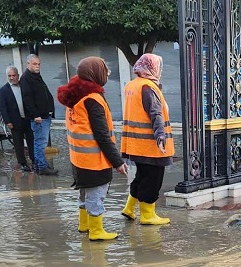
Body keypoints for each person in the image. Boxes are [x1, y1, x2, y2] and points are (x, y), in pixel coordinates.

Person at [57, 57, 128, 240]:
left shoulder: (75, 96)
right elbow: (102, 135)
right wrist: (117, 162)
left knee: (84, 193)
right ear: (95, 73)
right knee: (96, 195)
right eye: (104, 70)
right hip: (94, 160)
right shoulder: (93, 99)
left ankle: (84, 225)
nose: (106, 74)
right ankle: (96, 231)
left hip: (78, 158)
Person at [120, 53, 174, 225]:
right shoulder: (148, 87)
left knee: (141, 177)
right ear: (152, 68)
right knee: (152, 179)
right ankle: (148, 215)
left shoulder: (132, 85)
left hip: (136, 144)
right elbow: (156, 114)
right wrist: (160, 136)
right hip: (151, 145)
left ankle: (129, 208)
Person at [20, 54, 58, 176]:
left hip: (44, 115)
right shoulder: (26, 78)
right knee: (40, 142)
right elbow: (28, 99)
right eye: (34, 64)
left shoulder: (36, 76)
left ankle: (41, 164)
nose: (37, 66)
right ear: (28, 64)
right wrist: (36, 115)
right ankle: (42, 167)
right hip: (39, 117)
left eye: (38, 64)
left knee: (41, 142)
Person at [0, 66, 34, 172]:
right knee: (18, 143)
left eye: (14, 75)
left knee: (31, 140)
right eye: (9, 76)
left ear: (18, 75)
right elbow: (2, 108)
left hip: (27, 118)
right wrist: (7, 121)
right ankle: (22, 163)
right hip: (14, 121)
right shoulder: (3, 90)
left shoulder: (23, 86)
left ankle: (34, 160)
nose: (12, 78)